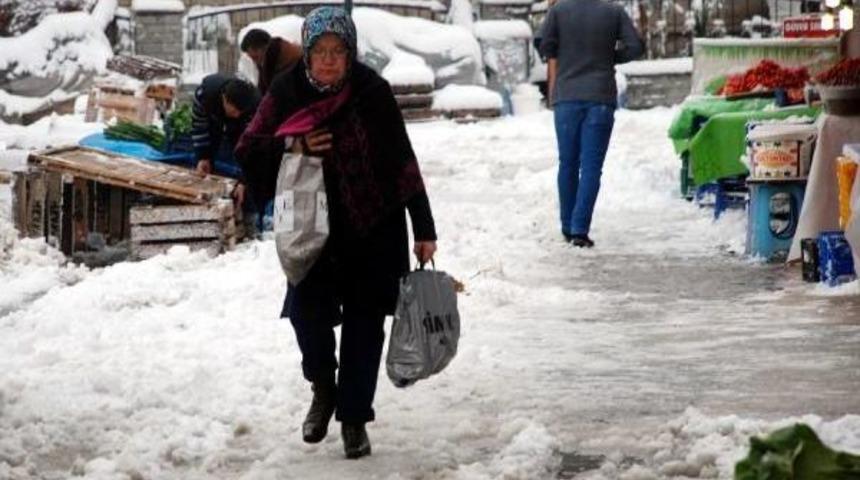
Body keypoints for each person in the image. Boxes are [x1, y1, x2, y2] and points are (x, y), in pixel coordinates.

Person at [235, 7, 438, 459]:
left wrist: (423, 226)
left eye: (337, 52)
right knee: (309, 317)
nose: (328, 61)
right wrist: (295, 144)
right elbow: (249, 147)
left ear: (350, 54)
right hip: (311, 228)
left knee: (366, 327)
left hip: (374, 226)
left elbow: (403, 160)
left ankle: (353, 418)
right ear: (307, 53)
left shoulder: (372, 91)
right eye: (320, 51)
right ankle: (323, 387)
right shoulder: (287, 91)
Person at [540, 0, 643, 248]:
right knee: (591, 167)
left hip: (566, 97)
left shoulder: (558, 10)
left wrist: (564, 54)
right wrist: (610, 56)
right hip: (600, 97)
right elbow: (636, 46)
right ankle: (580, 229)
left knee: (567, 163)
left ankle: (566, 225)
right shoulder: (614, 11)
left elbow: (544, 44)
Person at [190, 74, 260, 231]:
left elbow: (254, 147)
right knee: (206, 166)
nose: (237, 114)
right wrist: (203, 156)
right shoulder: (204, 95)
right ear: (225, 99)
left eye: (240, 111)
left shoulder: (254, 106)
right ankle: (210, 215)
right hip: (215, 122)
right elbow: (199, 126)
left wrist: (244, 180)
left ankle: (249, 219)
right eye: (234, 110)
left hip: (243, 132)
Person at [240, 28, 304, 94]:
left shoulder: (288, 60)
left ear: (263, 48)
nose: (254, 61)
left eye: (255, 58)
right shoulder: (266, 61)